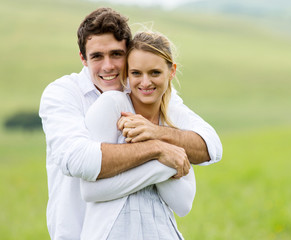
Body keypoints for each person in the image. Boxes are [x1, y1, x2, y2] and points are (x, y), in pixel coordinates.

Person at [39, 7, 222, 240]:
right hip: (78, 231)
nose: (109, 66)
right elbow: (80, 161)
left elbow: (211, 146)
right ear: (83, 58)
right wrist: (157, 149)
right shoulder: (63, 93)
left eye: (116, 54)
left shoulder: (142, 88)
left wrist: (156, 132)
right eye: (97, 56)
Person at [80, 30, 197, 240]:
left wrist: (154, 138)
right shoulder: (113, 105)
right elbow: (90, 191)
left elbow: (183, 204)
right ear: (126, 73)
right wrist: (159, 157)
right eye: (136, 73)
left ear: (171, 72)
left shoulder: (173, 122)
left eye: (154, 73)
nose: (145, 82)